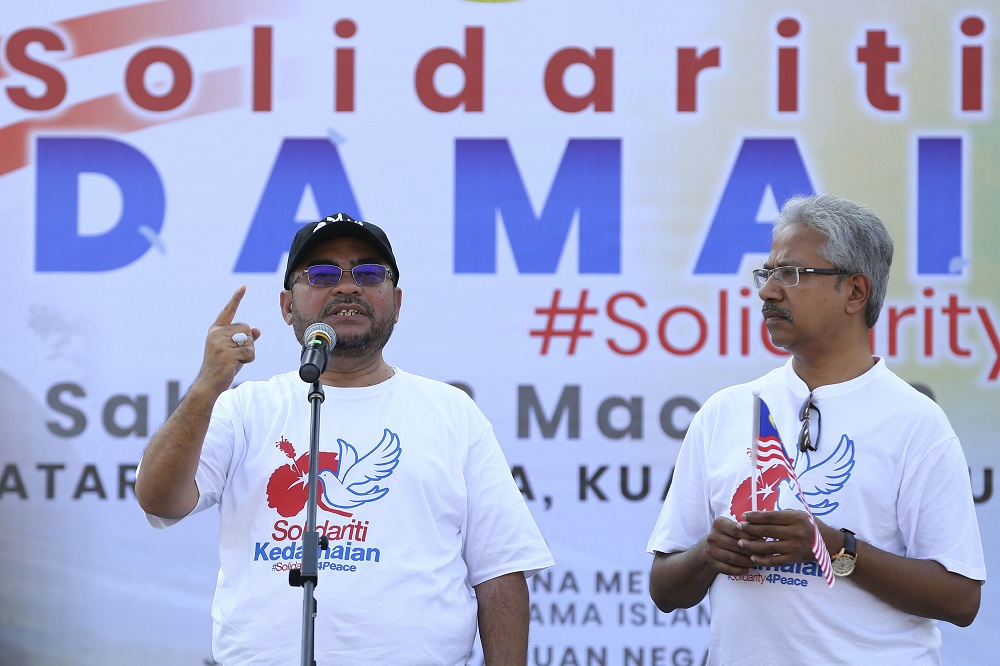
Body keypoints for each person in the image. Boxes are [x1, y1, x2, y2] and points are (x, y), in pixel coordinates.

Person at [135, 213, 554, 665]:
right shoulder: (244, 409)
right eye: (322, 274)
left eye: (369, 273)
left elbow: (501, 575)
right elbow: (158, 499)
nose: (348, 286)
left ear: (396, 301)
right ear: (286, 306)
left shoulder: (453, 412)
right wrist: (205, 387)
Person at [646, 194, 985, 664]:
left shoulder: (915, 423)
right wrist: (709, 553)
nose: (767, 291)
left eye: (792, 273)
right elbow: (665, 590)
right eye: (767, 274)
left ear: (855, 292)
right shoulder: (727, 411)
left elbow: (961, 599)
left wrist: (833, 547)